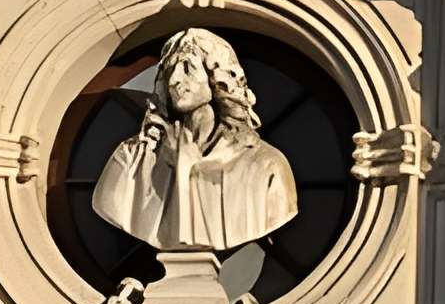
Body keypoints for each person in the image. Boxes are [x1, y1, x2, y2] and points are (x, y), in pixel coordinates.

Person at [89, 25, 300, 258]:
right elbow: (110, 205)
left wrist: (187, 170)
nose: (175, 81)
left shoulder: (265, 167)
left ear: (217, 77)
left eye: (188, 67)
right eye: (169, 70)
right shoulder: (131, 159)